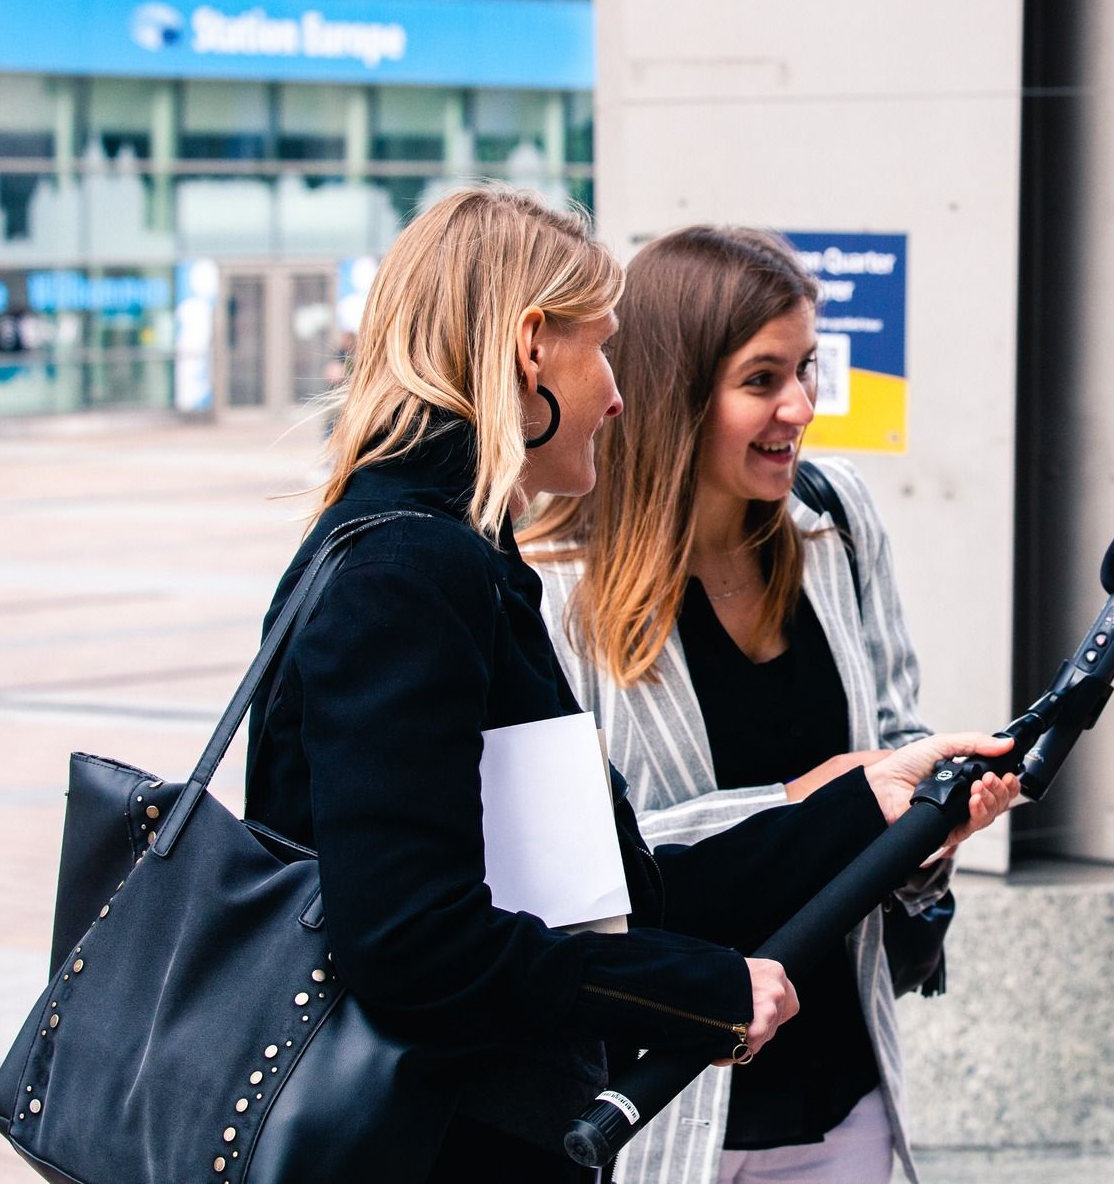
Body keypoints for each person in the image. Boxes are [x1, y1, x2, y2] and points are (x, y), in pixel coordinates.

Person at [244, 188, 1019, 1181]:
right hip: (432, 1137)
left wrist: (886, 823)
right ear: (532, 350)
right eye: (599, 348)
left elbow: (544, 881)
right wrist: (697, 987)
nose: (617, 392)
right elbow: (411, 941)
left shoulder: (427, 547)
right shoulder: (413, 566)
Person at [523, 225, 947, 1184]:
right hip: (662, 1113)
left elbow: (896, 736)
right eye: (762, 379)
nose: (800, 406)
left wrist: (931, 817)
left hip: (844, 1090)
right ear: (675, 394)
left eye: (805, 369)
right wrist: (822, 801)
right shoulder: (554, 588)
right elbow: (589, 881)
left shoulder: (835, 519)